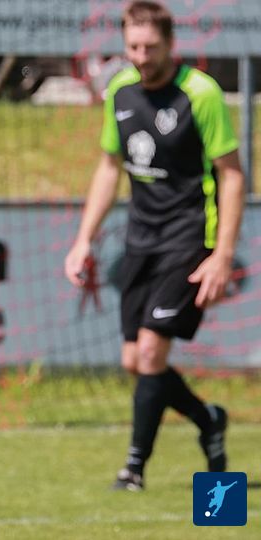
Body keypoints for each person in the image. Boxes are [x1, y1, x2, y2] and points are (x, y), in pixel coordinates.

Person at [64, 0, 245, 491]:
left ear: (170, 44)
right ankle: (208, 419)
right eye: (133, 47)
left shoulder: (200, 93)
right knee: (134, 361)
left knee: (148, 354)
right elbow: (109, 168)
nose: (141, 57)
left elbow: (231, 176)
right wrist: (83, 240)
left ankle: (133, 469)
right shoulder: (120, 90)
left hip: (189, 236)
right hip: (140, 237)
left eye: (150, 47)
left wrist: (222, 255)